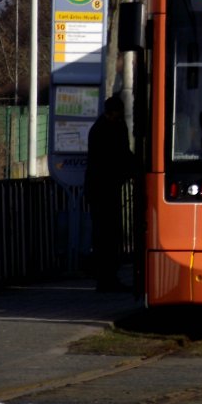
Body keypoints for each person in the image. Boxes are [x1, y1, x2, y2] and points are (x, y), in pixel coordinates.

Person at [84, 95, 135, 292]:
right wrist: (133, 170)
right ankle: (106, 278)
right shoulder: (105, 130)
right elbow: (118, 156)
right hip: (103, 188)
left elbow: (121, 154)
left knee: (108, 234)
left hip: (105, 187)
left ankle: (108, 277)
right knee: (106, 234)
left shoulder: (105, 128)